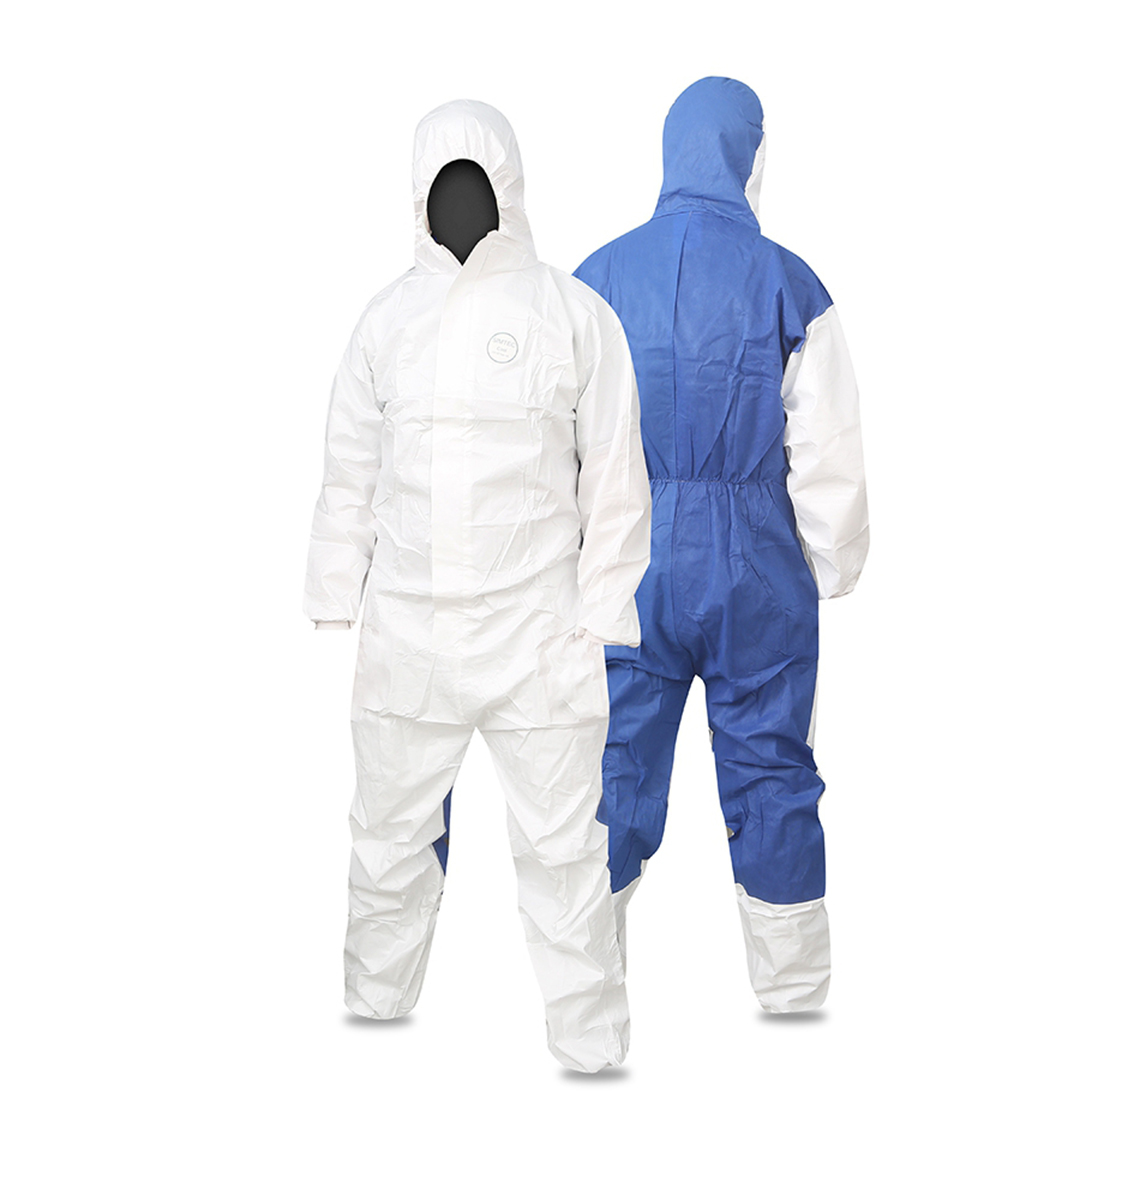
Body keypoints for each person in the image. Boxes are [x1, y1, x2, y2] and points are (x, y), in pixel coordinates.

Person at [305, 99, 652, 1070]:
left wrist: (601, 611)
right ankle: (376, 999)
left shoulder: (572, 315)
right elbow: (350, 469)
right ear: (418, 195)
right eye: (443, 186)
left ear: (509, 187)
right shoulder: (386, 322)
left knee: (566, 852)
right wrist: (335, 587)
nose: (460, 203)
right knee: (387, 834)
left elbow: (615, 474)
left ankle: (590, 1041)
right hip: (408, 631)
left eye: (475, 183)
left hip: (538, 632)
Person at [575, 77, 868, 1012]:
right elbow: (827, 446)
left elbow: (556, 439)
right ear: (747, 154)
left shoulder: (595, 278)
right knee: (774, 772)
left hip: (630, 566)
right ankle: (794, 995)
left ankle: (585, 989)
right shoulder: (789, 281)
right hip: (756, 567)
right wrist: (833, 562)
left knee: (610, 770)